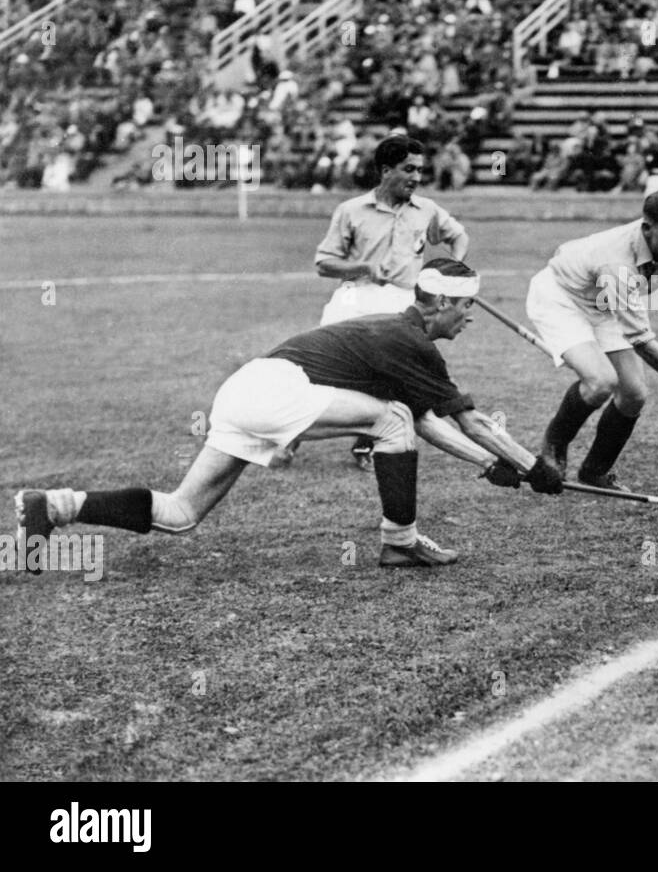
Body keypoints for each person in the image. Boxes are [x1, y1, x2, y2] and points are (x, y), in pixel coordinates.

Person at [15, 261, 565, 573]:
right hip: (275, 391)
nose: (472, 317)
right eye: (468, 306)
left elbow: (426, 421)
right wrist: (532, 465)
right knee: (390, 418)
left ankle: (57, 505)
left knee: (181, 513)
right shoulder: (408, 341)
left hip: (243, 391)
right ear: (441, 304)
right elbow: (467, 423)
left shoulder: (397, 334)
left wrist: (492, 467)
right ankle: (400, 541)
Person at [528, 189, 658, 491]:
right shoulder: (617, 262)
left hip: (605, 304)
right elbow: (641, 341)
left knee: (634, 394)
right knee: (600, 382)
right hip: (561, 298)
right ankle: (552, 449)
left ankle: (594, 470)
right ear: (647, 228)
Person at [315, 133, 469, 469]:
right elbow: (324, 263)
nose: (416, 177)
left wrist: (454, 271)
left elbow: (458, 235)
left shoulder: (426, 209)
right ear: (385, 170)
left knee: (394, 378)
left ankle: (366, 444)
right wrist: (363, 266)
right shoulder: (351, 210)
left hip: (402, 303)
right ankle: (292, 438)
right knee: (321, 371)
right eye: (408, 169)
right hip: (356, 298)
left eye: (419, 170)